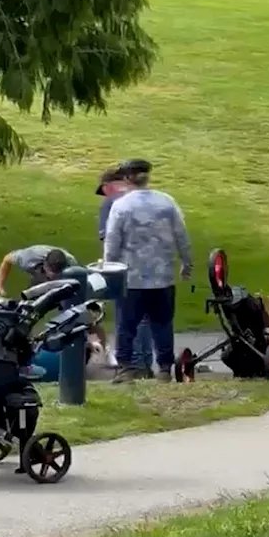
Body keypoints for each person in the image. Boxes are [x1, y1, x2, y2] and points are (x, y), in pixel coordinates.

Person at [104, 159, 193, 382]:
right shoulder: (167, 202)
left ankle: (126, 368)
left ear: (126, 179)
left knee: (126, 324)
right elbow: (182, 235)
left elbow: (113, 242)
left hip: (131, 277)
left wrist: (108, 269)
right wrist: (186, 262)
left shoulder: (121, 206)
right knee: (162, 323)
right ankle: (164, 368)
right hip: (162, 277)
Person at [98, 165, 154, 374]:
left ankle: (134, 366)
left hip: (126, 269)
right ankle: (146, 364)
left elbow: (108, 239)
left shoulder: (111, 204)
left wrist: (107, 265)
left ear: (109, 186)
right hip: (151, 267)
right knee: (146, 318)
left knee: (129, 317)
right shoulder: (147, 201)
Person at [0, 245, 77, 298]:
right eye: (51, 271)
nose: (52, 275)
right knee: (31, 296)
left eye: (56, 272)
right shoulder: (28, 258)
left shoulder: (72, 264)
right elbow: (7, 260)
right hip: (38, 269)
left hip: (63, 275)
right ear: (45, 263)